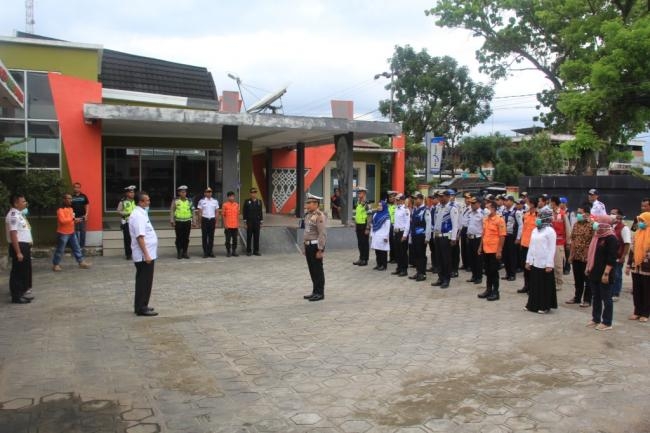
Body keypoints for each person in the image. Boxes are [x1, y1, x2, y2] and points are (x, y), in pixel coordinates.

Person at [585, 214, 618, 330]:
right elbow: (592, 255)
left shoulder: (611, 238)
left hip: (605, 273)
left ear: (604, 224)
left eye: (598, 222)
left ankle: (607, 322)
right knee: (596, 296)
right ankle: (596, 318)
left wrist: (606, 273)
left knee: (606, 298)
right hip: (594, 271)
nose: (596, 224)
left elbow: (612, 258)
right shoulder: (597, 236)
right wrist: (588, 268)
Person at [129, 192, 158, 316]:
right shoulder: (138, 216)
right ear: (141, 202)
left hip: (148, 253)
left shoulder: (142, 213)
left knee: (147, 281)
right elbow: (140, 237)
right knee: (143, 281)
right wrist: (146, 254)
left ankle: (143, 304)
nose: (149, 202)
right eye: (147, 200)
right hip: (143, 255)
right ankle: (141, 307)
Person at [524, 207, 557, 314]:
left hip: (544, 263)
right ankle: (532, 305)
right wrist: (528, 260)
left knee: (544, 285)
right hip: (535, 261)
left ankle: (544, 306)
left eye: (540, 216)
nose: (538, 218)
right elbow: (531, 246)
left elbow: (552, 249)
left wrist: (549, 264)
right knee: (534, 285)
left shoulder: (550, 231)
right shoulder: (535, 230)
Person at [52, 193, 91, 272]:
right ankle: (56, 265)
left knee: (77, 248)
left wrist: (76, 220)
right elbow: (62, 221)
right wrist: (73, 219)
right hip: (63, 233)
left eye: (71, 198)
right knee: (60, 250)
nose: (71, 200)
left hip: (72, 232)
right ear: (64, 200)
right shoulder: (60, 210)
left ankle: (81, 262)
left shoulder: (70, 209)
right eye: (69, 199)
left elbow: (71, 220)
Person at [5, 194, 34, 304]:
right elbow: (13, 234)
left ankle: (21, 293)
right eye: (23, 201)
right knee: (17, 272)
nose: (25, 203)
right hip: (19, 246)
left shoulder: (19, 214)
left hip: (24, 246)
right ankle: (16, 296)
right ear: (16, 203)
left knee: (23, 271)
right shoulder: (13, 215)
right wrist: (18, 252)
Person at [566, 203, 594, 308]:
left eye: (580, 213)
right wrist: (571, 255)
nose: (578, 214)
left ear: (586, 214)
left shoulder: (592, 225)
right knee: (577, 279)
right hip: (576, 256)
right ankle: (577, 297)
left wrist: (589, 256)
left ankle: (587, 300)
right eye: (577, 212)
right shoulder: (576, 224)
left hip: (587, 257)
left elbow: (594, 242)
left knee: (588, 280)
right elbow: (573, 240)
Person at [478, 200, 506, 301]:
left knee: (494, 272)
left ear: (493, 208)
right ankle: (488, 290)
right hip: (486, 249)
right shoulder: (485, 219)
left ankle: (496, 292)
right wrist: (480, 247)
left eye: (488, 207)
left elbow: (502, 236)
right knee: (488, 271)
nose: (486, 209)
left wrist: (499, 250)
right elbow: (483, 234)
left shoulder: (499, 220)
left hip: (494, 250)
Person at [625, 211, 650, 322]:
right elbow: (632, 251)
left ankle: (645, 313)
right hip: (636, 267)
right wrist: (628, 265)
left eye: (642, 221)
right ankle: (637, 311)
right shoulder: (637, 233)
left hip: (647, 268)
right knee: (636, 290)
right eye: (639, 221)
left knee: (647, 291)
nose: (640, 223)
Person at [302, 193, 327, 302]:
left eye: (309, 203)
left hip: (315, 246)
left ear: (315, 204)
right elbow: (306, 232)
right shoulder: (308, 215)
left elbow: (322, 233)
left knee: (318, 270)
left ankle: (320, 293)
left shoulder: (319, 216)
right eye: (307, 202)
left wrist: (320, 249)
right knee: (312, 270)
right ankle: (314, 291)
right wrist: (304, 246)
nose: (307, 204)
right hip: (308, 246)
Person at [431, 190, 458, 289]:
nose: (440, 198)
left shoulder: (452, 209)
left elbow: (455, 225)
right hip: (438, 236)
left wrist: (453, 238)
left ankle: (446, 279)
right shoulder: (438, 208)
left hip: (447, 237)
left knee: (446, 259)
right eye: (439, 197)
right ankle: (440, 278)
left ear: (448, 197)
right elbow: (436, 223)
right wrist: (434, 235)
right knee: (439, 258)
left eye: (442, 196)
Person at [550, 196, 571, 291]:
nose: (550, 204)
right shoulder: (549, 213)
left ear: (554, 203)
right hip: (550, 242)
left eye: (551, 202)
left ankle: (559, 283)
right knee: (550, 263)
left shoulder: (562, 214)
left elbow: (567, 228)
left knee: (558, 264)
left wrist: (568, 242)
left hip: (559, 242)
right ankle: (552, 281)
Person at [518, 196, 538, 294]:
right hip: (524, 243)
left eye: (528, 203)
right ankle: (526, 285)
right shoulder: (526, 215)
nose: (526, 205)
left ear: (532, 204)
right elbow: (523, 228)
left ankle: (533, 287)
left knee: (532, 267)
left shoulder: (538, 216)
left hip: (533, 245)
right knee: (525, 266)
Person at [610, 208, 631, 302]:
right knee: (610, 274)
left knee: (617, 275)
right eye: (611, 213)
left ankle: (615, 293)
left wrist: (623, 256)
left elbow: (627, 243)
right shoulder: (611, 226)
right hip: (610, 255)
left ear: (620, 216)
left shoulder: (624, 228)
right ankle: (610, 291)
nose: (611, 215)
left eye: (614, 214)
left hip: (618, 256)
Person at [170, 185, 195, 259]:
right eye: (182, 192)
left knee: (186, 238)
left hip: (187, 222)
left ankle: (185, 252)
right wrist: (172, 220)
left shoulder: (189, 201)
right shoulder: (175, 201)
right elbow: (172, 210)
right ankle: (179, 252)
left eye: (185, 192)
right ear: (179, 193)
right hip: (179, 222)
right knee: (179, 238)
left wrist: (194, 221)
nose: (184, 193)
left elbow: (192, 211)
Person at [409, 192, 430, 282]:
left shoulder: (426, 210)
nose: (415, 200)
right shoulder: (414, 210)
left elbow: (428, 224)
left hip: (422, 236)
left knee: (421, 255)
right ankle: (418, 272)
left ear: (421, 199)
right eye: (414, 198)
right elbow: (412, 223)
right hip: (414, 235)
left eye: (416, 198)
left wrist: (427, 237)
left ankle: (422, 273)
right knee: (416, 255)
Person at [465, 197, 484, 284]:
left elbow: (484, 229)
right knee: (471, 258)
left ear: (479, 204)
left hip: (478, 238)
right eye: (471, 203)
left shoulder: (482, 214)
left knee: (478, 259)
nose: (472, 205)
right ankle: (474, 275)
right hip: (470, 237)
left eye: (474, 203)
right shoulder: (470, 213)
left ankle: (479, 277)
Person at [197, 187, 220, 258]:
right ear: (205, 193)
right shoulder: (201, 201)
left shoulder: (215, 201)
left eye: (210, 192)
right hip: (204, 220)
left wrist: (216, 222)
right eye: (207, 191)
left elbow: (217, 212)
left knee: (211, 237)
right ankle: (205, 252)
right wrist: (200, 222)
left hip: (212, 220)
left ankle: (210, 251)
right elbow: (199, 212)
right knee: (204, 237)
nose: (209, 193)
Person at [391, 193, 410, 277]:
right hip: (396, 232)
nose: (396, 201)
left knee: (403, 252)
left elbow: (407, 223)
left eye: (398, 200)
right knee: (397, 252)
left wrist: (405, 235)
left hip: (402, 233)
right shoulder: (396, 209)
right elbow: (396, 222)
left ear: (402, 200)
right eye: (396, 200)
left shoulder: (405, 210)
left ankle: (404, 270)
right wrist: (394, 232)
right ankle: (399, 268)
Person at [501, 195, 519, 281]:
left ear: (512, 201)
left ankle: (512, 274)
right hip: (504, 235)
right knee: (505, 255)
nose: (505, 202)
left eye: (507, 200)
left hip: (512, 236)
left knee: (512, 256)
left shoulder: (516, 212)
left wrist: (518, 238)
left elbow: (520, 225)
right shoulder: (504, 211)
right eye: (504, 200)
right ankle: (507, 273)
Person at [352, 186, 371, 266]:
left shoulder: (367, 203)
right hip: (359, 225)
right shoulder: (358, 203)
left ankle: (365, 259)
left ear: (364, 193)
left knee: (364, 243)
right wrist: (355, 225)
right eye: (358, 193)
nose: (358, 194)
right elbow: (357, 215)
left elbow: (369, 216)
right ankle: (361, 258)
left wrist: (368, 227)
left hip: (364, 225)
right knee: (360, 243)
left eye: (360, 193)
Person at [116, 185, 136, 260]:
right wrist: (126, 213)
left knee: (136, 238)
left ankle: (135, 253)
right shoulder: (123, 201)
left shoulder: (136, 200)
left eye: (133, 192)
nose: (132, 194)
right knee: (127, 239)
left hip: (135, 222)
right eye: (131, 192)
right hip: (127, 222)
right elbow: (118, 211)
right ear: (127, 193)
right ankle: (128, 254)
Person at [370, 200, 391, 271]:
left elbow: (387, 227)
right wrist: (371, 233)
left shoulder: (386, 215)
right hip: (376, 234)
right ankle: (378, 264)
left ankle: (383, 265)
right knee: (377, 250)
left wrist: (386, 236)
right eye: (378, 205)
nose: (379, 207)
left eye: (380, 205)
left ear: (384, 206)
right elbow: (372, 224)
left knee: (383, 251)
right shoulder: (375, 214)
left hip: (383, 235)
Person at [243, 187, 264, 256]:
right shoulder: (247, 201)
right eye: (252, 192)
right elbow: (244, 212)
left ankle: (256, 251)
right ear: (250, 193)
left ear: (256, 193)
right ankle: (249, 251)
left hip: (257, 222)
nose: (253, 194)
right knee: (249, 237)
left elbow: (260, 212)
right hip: (249, 222)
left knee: (256, 237)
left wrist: (261, 222)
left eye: (255, 192)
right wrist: (245, 223)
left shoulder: (259, 201)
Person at [221, 191, 240, 257]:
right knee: (228, 240)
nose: (232, 198)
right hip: (228, 226)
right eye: (230, 196)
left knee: (235, 240)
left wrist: (238, 223)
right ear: (228, 197)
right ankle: (228, 251)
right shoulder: (225, 205)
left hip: (235, 225)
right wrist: (225, 224)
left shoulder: (236, 205)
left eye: (233, 196)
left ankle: (234, 251)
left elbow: (238, 215)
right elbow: (223, 215)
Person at [71, 182, 90, 248]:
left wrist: (86, 215)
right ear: (73, 188)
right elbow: (69, 208)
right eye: (75, 187)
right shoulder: (71, 197)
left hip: (82, 216)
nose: (76, 188)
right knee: (75, 231)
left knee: (83, 231)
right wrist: (72, 217)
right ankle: (76, 246)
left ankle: (82, 246)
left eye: (78, 187)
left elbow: (87, 205)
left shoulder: (83, 196)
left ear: (80, 188)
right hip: (74, 217)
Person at [387, 191, 397, 263]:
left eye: (392, 197)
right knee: (390, 242)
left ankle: (395, 258)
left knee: (394, 242)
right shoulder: (388, 206)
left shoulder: (397, 207)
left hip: (395, 226)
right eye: (389, 197)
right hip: (388, 226)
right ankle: (391, 258)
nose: (390, 198)